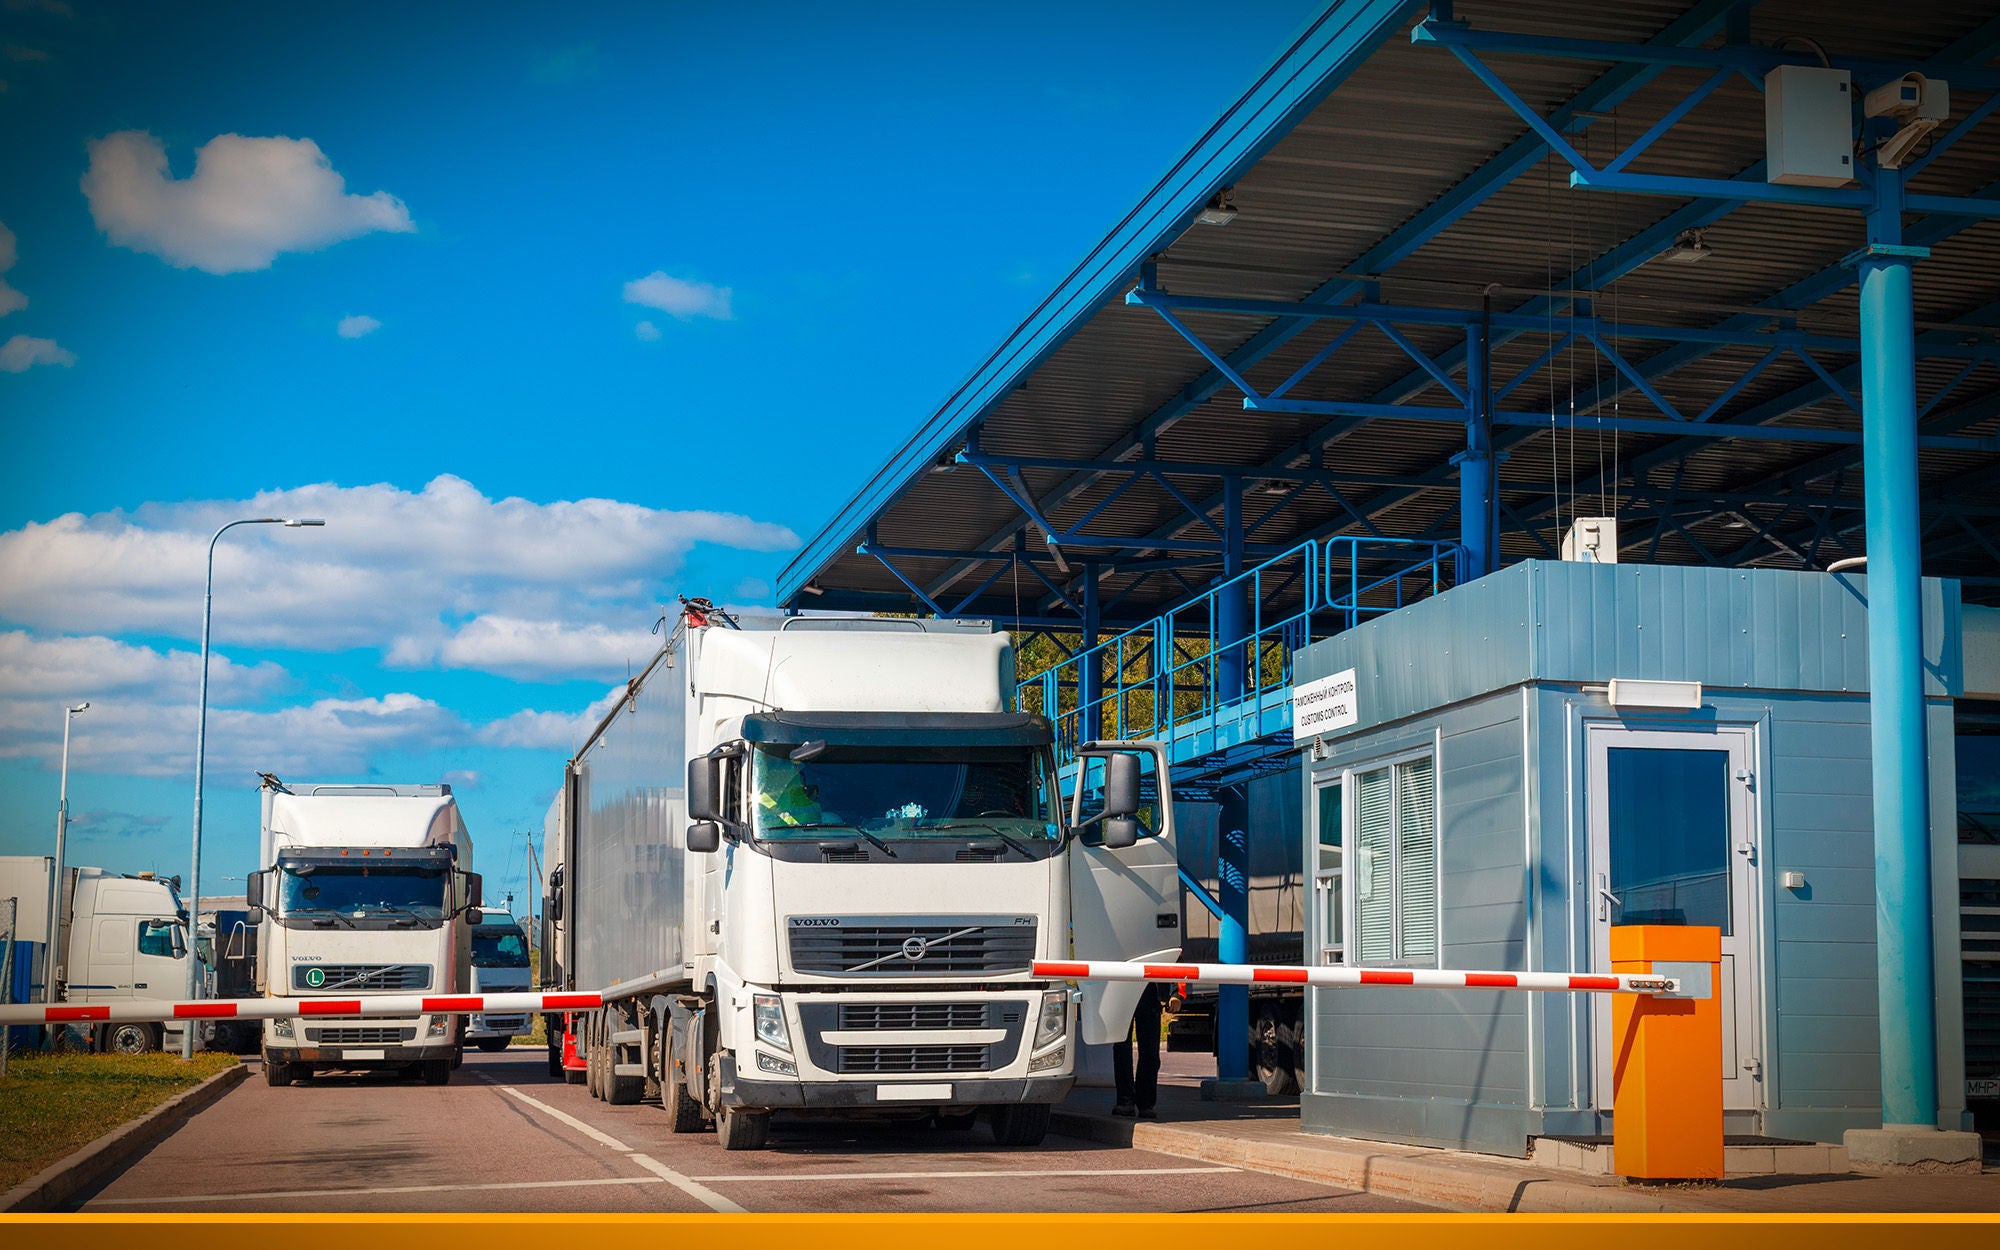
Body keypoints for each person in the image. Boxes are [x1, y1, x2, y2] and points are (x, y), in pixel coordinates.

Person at [1111, 982, 1162, 1118]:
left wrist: (1177, 993)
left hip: (1148, 990)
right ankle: (1127, 1101)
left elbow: (1175, 961)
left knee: (1150, 1052)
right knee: (1122, 1050)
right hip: (1122, 990)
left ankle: (1143, 1104)